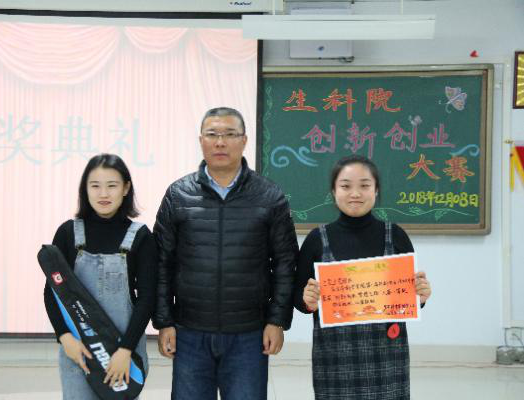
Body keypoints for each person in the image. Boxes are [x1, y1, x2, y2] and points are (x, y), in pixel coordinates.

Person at [152, 107, 298, 400]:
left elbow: (285, 262)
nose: (220, 142)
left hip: (249, 333)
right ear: (201, 140)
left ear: (244, 141)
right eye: (212, 134)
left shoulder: (269, 196)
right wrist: (164, 322)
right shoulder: (178, 194)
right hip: (190, 331)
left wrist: (277, 320)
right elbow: (161, 263)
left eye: (230, 134)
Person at [295, 154, 432, 400]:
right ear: (334, 191)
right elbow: (298, 299)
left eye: (365, 185)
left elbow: (408, 299)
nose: (355, 193)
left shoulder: (395, 236)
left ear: (376, 190)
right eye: (346, 186)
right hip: (335, 357)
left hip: (387, 356)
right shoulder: (317, 239)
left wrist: (420, 296)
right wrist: (308, 300)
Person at [43, 153, 157, 399]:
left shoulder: (141, 237)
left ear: (126, 188)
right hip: (79, 351)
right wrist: (64, 337)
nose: (103, 194)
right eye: (95, 186)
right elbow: (52, 292)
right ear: (85, 190)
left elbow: (147, 299)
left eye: (112, 185)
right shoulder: (68, 233)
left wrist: (125, 350)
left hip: (123, 354)